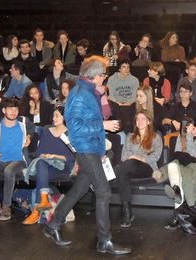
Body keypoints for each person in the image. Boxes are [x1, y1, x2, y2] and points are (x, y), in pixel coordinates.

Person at [42, 56, 131, 255]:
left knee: (80, 188)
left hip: (90, 147)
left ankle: (53, 225)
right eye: (104, 75)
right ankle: (104, 241)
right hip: (85, 148)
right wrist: (103, 125)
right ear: (96, 76)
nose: (105, 78)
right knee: (104, 191)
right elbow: (75, 127)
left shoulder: (88, 91)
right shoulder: (81, 93)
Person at [22, 106, 75, 225]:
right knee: (41, 162)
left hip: (63, 166)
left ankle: (36, 210)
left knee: (41, 171)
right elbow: (39, 152)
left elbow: (73, 156)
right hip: (47, 165)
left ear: (65, 117)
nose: (53, 118)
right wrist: (45, 155)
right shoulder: (47, 130)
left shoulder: (71, 133)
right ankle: (43, 201)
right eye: (53, 115)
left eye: (57, 116)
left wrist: (55, 156)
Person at [114, 110, 163, 227]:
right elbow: (124, 156)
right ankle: (127, 211)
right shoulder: (130, 136)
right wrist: (132, 158)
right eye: (138, 119)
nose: (140, 121)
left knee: (125, 167)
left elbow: (156, 157)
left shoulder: (156, 137)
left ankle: (127, 213)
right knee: (123, 173)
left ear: (148, 122)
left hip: (148, 168)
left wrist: (138, 157)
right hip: (130, 168)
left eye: (143, 119)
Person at [160, 118, 196, 230]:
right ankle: (184, 202)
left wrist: (189, 136)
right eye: (191, 128)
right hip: (183, 164)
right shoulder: (180, 138)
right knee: (174, 165)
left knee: (185, 177)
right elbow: (177, 153)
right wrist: (188, 153)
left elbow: (193, 152)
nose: (195, 130)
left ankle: (176, 199)